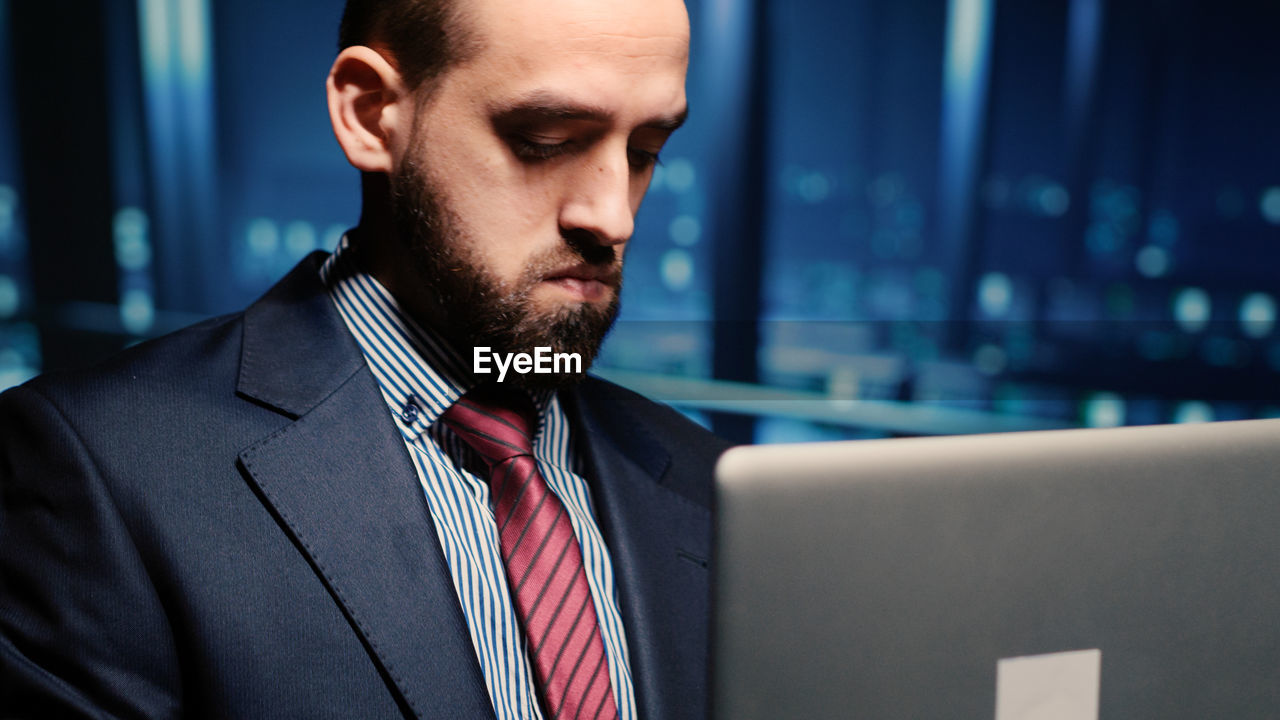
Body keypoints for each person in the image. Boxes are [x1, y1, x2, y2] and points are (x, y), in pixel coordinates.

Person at [0, 0, 729, 717]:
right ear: (370, 112)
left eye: (645, 152)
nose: (614, 217)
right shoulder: (101, 469)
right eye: (544, 137)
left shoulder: (708, 481)